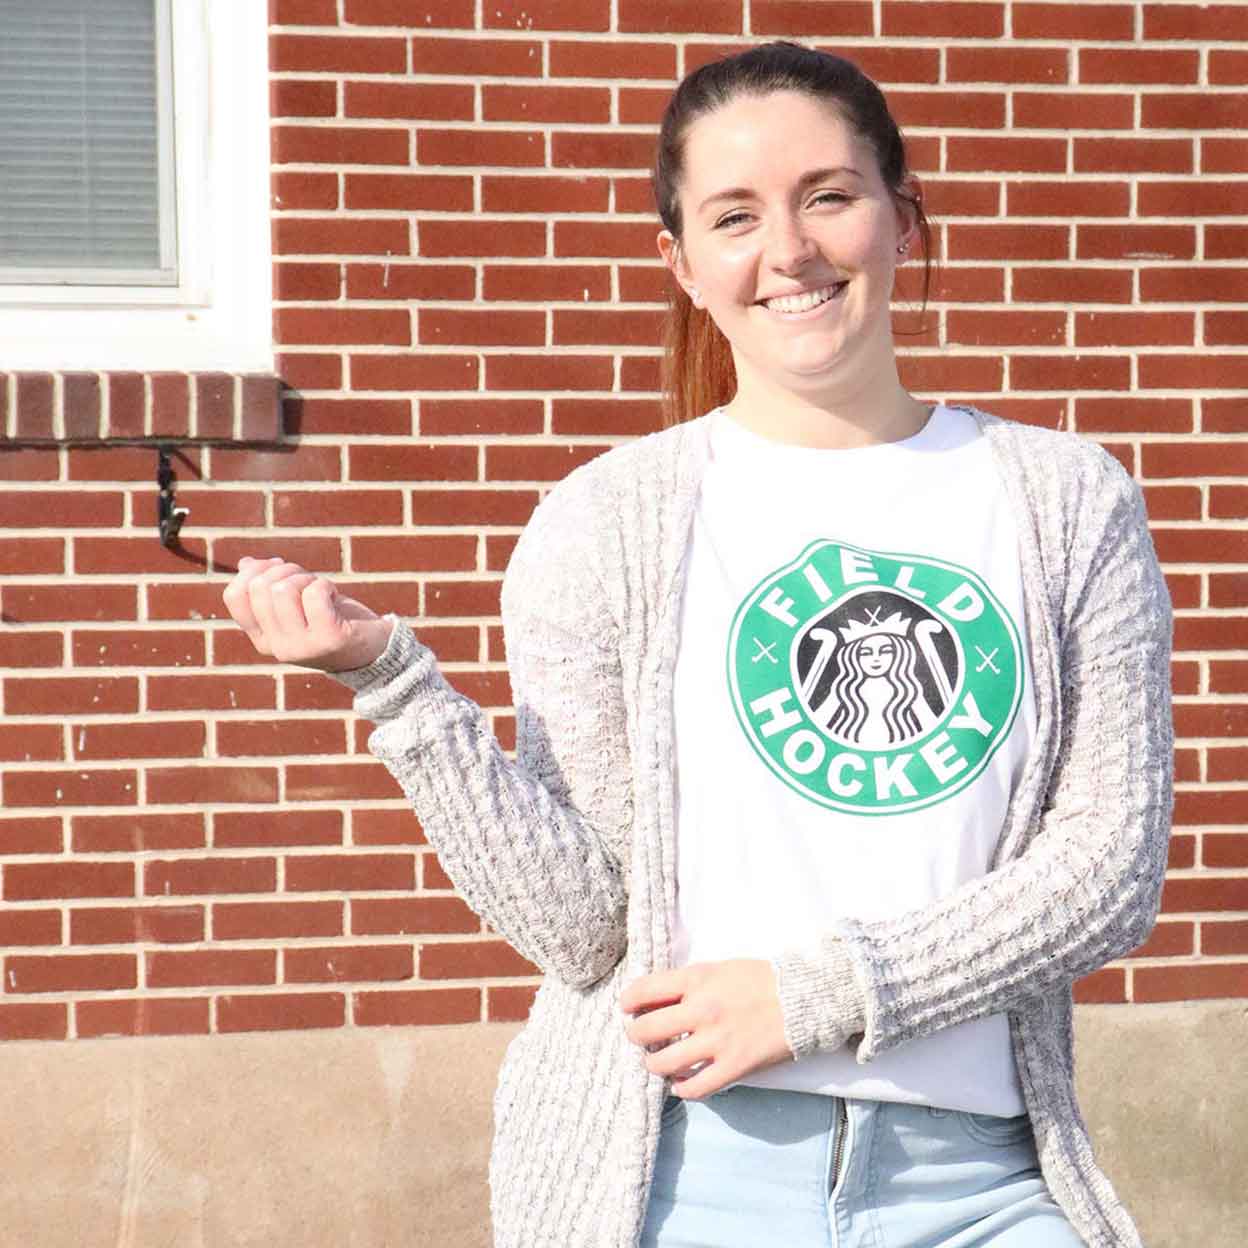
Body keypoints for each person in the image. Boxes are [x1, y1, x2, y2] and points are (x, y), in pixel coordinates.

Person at [224, 41, 1173, 1248]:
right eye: (735, 216)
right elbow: (583, 930)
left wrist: (819, 993)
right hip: (679, 1180)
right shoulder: (604, 519)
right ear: (681, 264)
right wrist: (395, 688)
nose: (789, 250)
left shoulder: (1063, 498)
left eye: (829, 195)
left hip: (978, 1184)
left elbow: (1109, 869)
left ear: (901, 220)